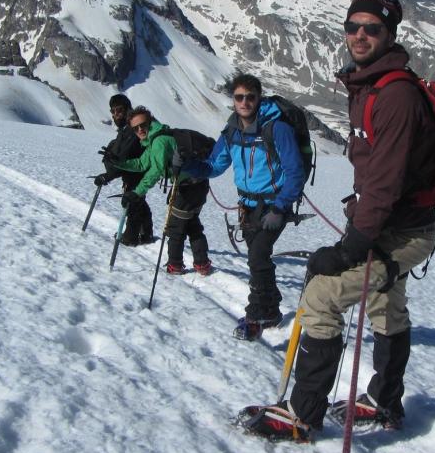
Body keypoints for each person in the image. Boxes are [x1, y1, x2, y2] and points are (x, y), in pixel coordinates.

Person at [243, 0, 435, 440]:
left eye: (372, 29)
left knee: (322, 295)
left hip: (402, 232)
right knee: (386, 306)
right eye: (353, 27)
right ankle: (385, 402)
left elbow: (386, 184)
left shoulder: (394, 96)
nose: (359, 35)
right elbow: (379, 176)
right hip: (393, 225)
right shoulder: (367, 85)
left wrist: (348, 247)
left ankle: (302, 415)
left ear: (390, 34)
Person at [181, 74, 306, 340]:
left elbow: (295, 172)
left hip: (273, 205)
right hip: (247, 206)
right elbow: (214, 167)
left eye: (250, 96)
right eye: (239, 97)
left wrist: (280, 208)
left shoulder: (277, 129)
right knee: (258, 260)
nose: (245, 102)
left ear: (259, 98)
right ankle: (271, 309)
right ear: (233, 100)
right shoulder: (231, 133)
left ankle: (255, 316)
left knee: (258, 257)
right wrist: (187, 166)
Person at [109, 106, 213, 275]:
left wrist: (137, 193)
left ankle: (175, 265)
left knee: (175, 227)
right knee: (191, 223)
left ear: (151, 122)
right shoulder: (156, 138)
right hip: (198, 185)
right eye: (135, 128)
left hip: (187, 187)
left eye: (143, 125)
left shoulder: (159, 141)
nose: (140, 130)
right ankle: (202, 263)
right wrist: (118, 163)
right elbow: (142, 163)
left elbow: (155, 171)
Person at [93, 95, 154, 246]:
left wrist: (107, 175)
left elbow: (121, 160)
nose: (115, 115)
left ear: (127, 109)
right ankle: (146, 234)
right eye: (113, 111)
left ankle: (130, 238)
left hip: (137, 172)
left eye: (119, 110)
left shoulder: (131, 130)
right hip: (136, 172)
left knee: (132, 202)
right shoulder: (127, 129)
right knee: (138, 201)